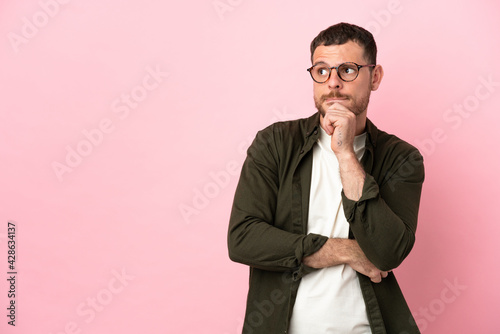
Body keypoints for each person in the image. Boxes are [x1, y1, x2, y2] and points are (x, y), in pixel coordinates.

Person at [228, 22, 424, 334]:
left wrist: (346, 154)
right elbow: (243, 239)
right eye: (321, 71)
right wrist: (343, 249)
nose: (332, 83)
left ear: (374, 77)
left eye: (347, 70)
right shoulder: (275, 143)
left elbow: (388, 252)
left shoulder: (401, 158)